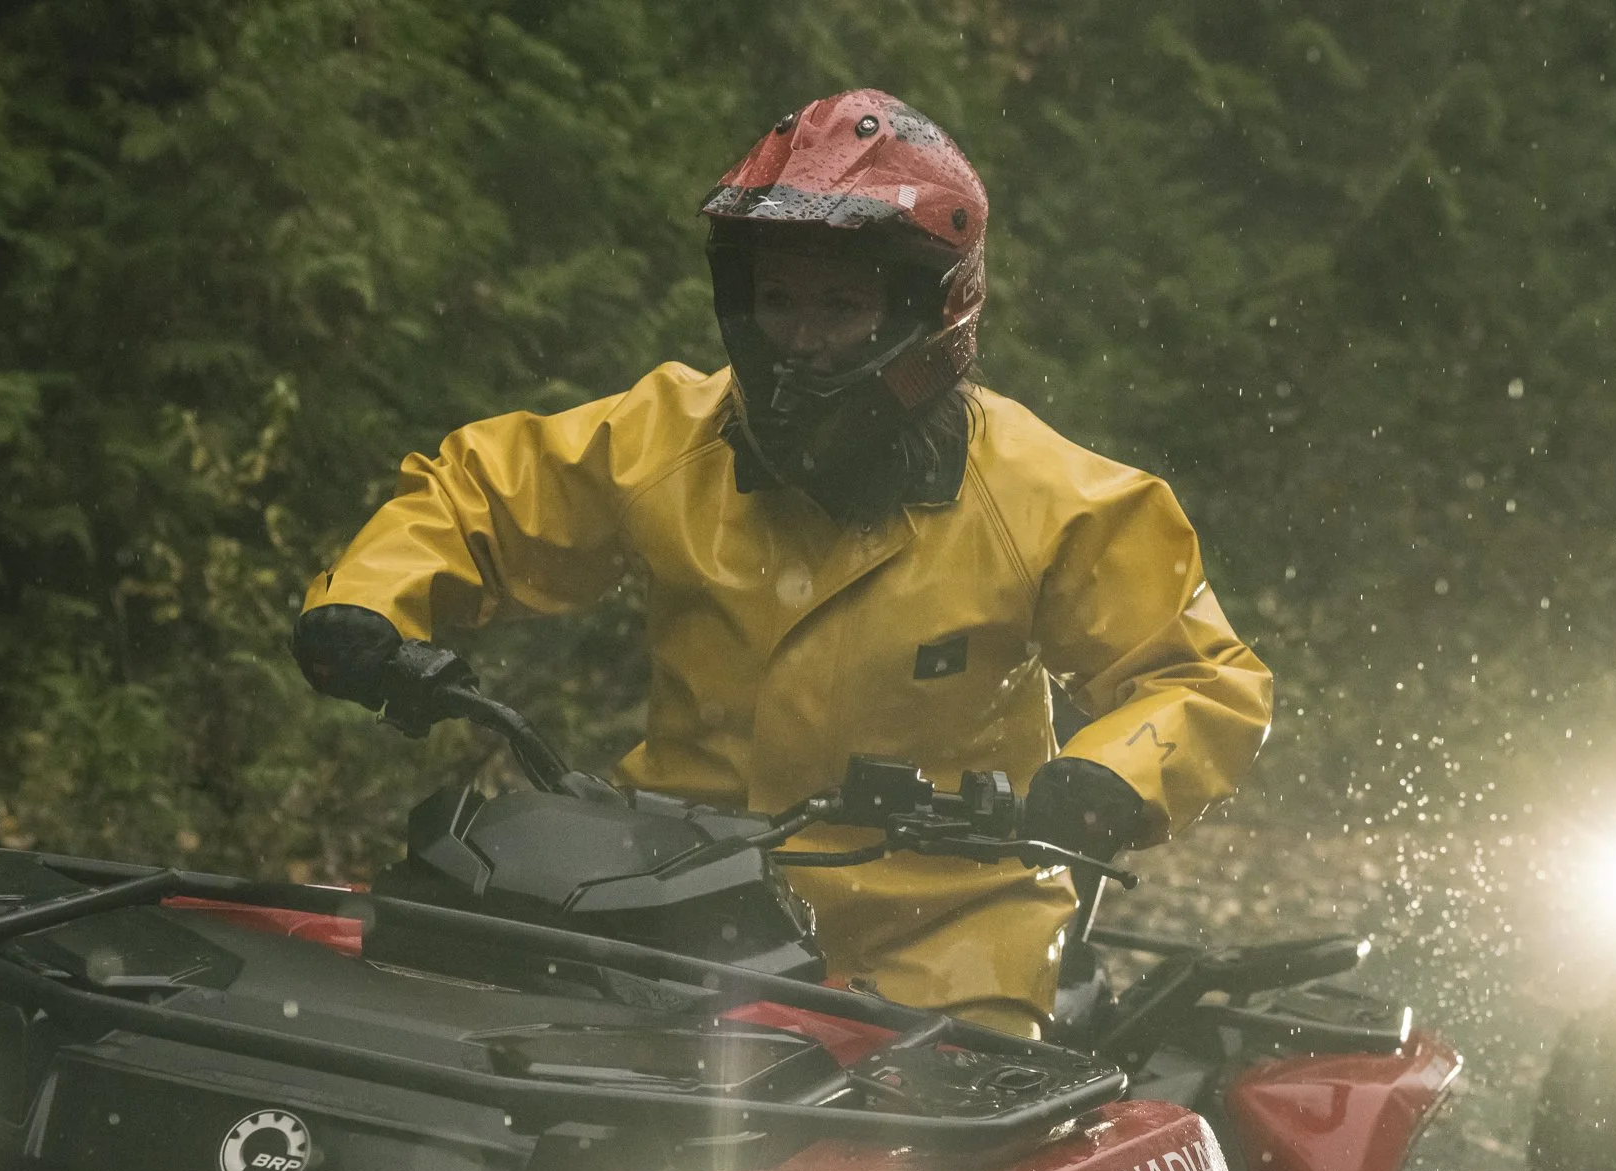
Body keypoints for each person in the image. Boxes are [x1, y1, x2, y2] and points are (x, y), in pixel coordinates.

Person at [292, 89, 1273, 1036]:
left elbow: (1201, 676)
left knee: (936, 1157)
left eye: (841, 305)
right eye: (777, 300)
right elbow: (481, 497)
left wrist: (1105, 777)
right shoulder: (669, 435)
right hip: (667, 893)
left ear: (931, 314)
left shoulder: (1051, 498)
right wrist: (371, 606)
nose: (799, 343)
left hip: (948, 932)